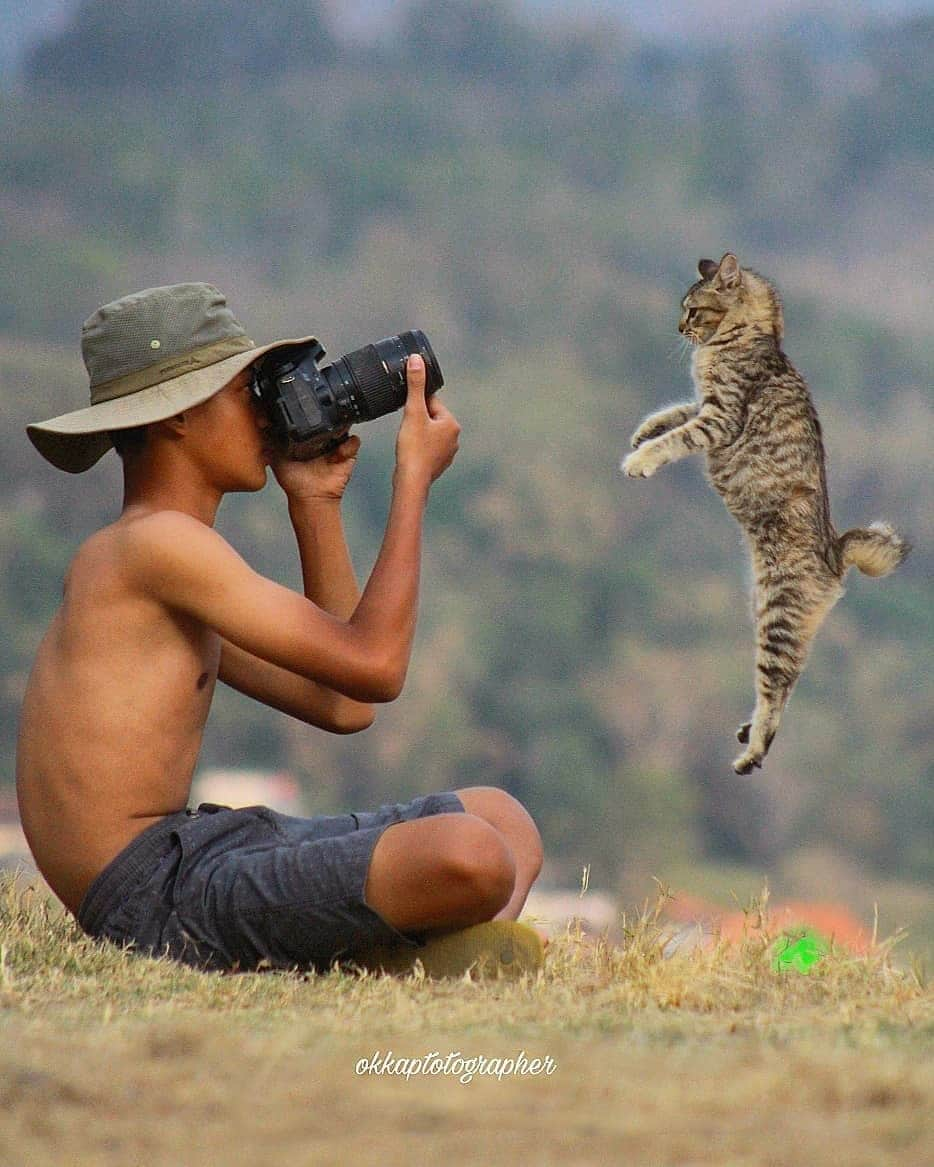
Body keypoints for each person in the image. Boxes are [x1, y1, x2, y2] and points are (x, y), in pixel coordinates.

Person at [16, 282, 543, 976]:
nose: (267, 417)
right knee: (472, 853)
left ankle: (420, 954)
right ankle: (404, 960)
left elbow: (346, 703)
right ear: (178, 416)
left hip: (201, 848)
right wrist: (410, 482)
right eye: (247, 393)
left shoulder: (163, 561)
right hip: (153, 895)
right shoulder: (155, 546)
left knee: (505, 821)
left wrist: (316, 502)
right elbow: (378, 665)